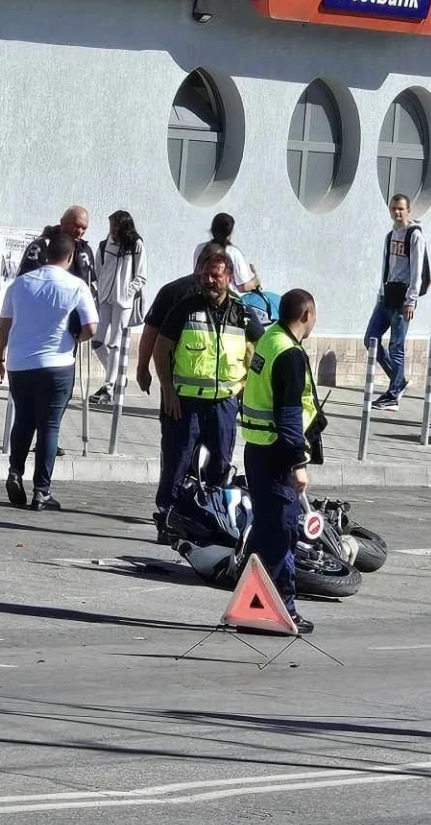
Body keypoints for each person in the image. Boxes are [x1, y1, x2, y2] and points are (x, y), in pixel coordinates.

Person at [149, 249, 252, 541]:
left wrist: (245, 386)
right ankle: (167, 519)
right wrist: (167, 389)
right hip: (184, 403)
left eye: (216, 276)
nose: (209, 280)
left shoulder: (241, 312)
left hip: (223, 404)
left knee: (219, 466)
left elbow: (257, 348)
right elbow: (162, 349)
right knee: (177, 462)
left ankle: (212, 523)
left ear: (229, 278)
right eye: (205, 275)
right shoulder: (185, 307)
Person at [0, 233, 97, 511]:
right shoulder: (76, 286)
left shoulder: (21, 284)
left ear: (45, 255)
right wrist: (76, 337)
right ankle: (42, 490)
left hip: (20, 364)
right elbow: (91, 327)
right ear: (71, 256)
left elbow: (3, 324)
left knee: (23, 420)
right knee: (49, 425)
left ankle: (15, 471)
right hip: (58, 364)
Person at [239, 288, 321, 633]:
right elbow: (288, 416)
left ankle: (250, 608)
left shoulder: (270, 339)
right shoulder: (289, 354)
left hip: (257, 449)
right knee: (279, 537)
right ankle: (277, 610)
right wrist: (297, 464)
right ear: (306, 315)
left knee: (265, 533)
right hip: (276, 454)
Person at [134, 241, 230, 398]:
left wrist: (142, 368)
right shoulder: (173, 293)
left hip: (182, 388)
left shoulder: (171, 291)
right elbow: (151, 332)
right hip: (215, 395)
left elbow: (150, 333)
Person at [365, 194, 426, 411]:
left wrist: (412, 300)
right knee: (370, 339)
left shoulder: (415, 235)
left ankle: (393, 393)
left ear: (408, 210)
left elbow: (417, 270)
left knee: (396, 345)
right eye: (393, 209)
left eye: (401, 209)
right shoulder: (390, 235)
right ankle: (398, 382)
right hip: (387, 295)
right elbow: (386, 266)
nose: (397, 212)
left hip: (403, 298)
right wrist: (380, 292)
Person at [90, 210, 147, 403]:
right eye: (111, 225)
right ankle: (116, 378)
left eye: (116, 226)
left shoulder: (136, 245)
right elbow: (98, 268)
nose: (112, 230)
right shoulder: (105, 244)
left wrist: (128, 292)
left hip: (123, 302)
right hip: (104, 298)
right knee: (97, 341)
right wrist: (99, 288)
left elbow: (141, 275)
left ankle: (108, 386)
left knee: (114, 342)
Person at [17, 205, 97, 285]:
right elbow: (24, 281)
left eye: (84, 228)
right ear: (62, 222)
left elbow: (92, 283)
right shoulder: (42, 245)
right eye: (76, 226)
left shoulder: (85, 251)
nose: (80, 232)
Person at [194, 212, 257, 290]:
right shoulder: (233, 252)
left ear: (212, 230)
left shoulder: (200, 248)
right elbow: (243, 287)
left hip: (200, 295)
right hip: (223, 299)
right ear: (230, 233)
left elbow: (196, 276)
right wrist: (256, 281)